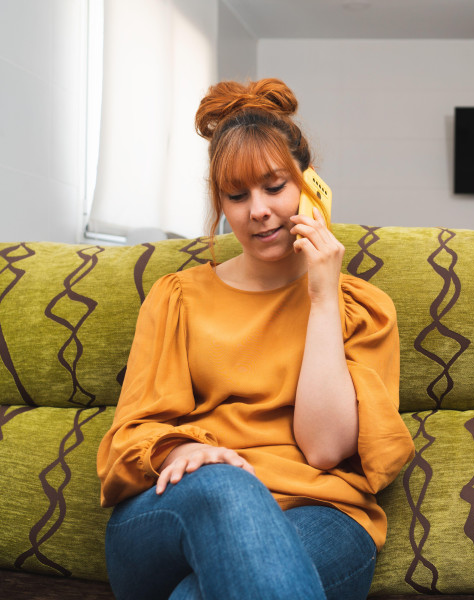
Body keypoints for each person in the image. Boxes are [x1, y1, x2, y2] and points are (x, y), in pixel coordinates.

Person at [96, 78, 415, 600]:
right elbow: (130, 436)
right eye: (236, 195)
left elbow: (324, 448)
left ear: (310, 187)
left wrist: (322, 297)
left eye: (274, 186)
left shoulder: (359, 307)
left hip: (321, 514)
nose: (258, 210)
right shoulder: (177, 297)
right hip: (180, 504)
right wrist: (180, 449)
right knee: (226, 488)